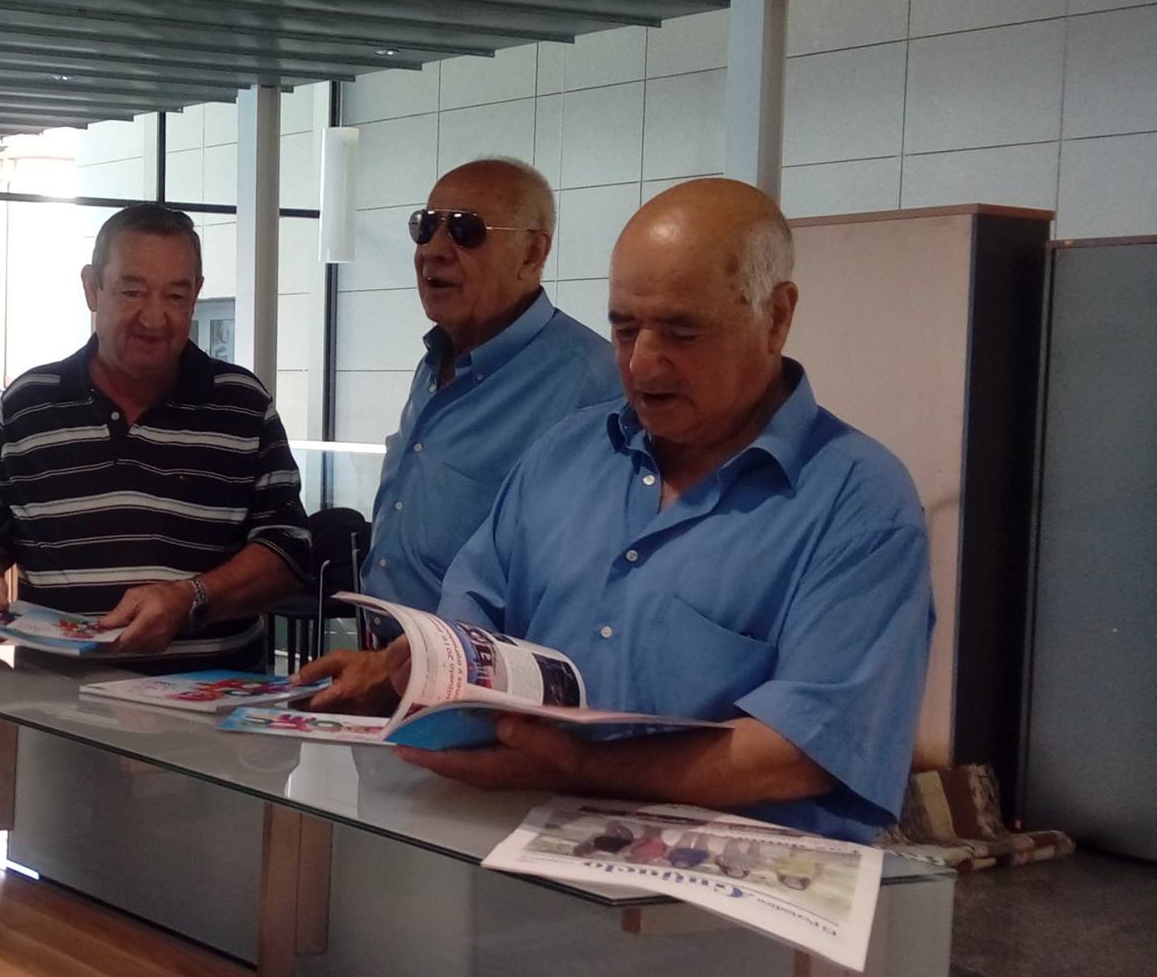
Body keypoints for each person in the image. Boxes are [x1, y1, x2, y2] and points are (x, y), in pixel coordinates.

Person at [300, 179, 932, 844]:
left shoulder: (858, 501)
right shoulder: (565, 454)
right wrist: (428, 667)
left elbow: (799, 754)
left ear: (776, 316)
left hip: (715, 912)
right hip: (513, 860)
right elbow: (472, 616)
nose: (643, 362)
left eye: (683, 332)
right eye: (624, 327)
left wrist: (583, 767)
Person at [0, 204, 310, 672]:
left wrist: (191, 599)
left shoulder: (242, 405)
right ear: (91, 288)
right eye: (132, 291)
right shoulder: (26, 407)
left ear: (197, 294)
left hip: (209, 724)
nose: (154, 319)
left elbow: (288, 548)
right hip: (56, 715)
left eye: (175, 297)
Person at [363, 159, 619, 617]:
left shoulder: (595, 386)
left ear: (532, 254)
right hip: (382, 664)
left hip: (483, 676)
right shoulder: (435, 362)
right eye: (426, 227)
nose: (433, 250)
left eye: (465, 230)